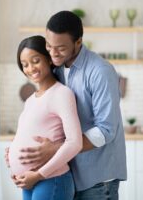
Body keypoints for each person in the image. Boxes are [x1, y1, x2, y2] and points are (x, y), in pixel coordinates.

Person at [12, 11, 127, 200]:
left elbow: (106, 130)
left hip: (97, 178)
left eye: (61, 48)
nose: (53, 53)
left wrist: (56, 148)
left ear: (78, 42)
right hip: (70, 172)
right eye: (49, 46)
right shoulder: (57, 68)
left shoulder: (100, 71)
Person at [8, 35, 83, 200]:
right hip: (29, 181)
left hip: (51, 180)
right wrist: (13, 154)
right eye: (25, 64)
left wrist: (39, 174)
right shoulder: (30, 100)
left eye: (35, 61)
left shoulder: (62, 94)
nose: (30, 68)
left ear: (49, 59)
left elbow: (75, 143)